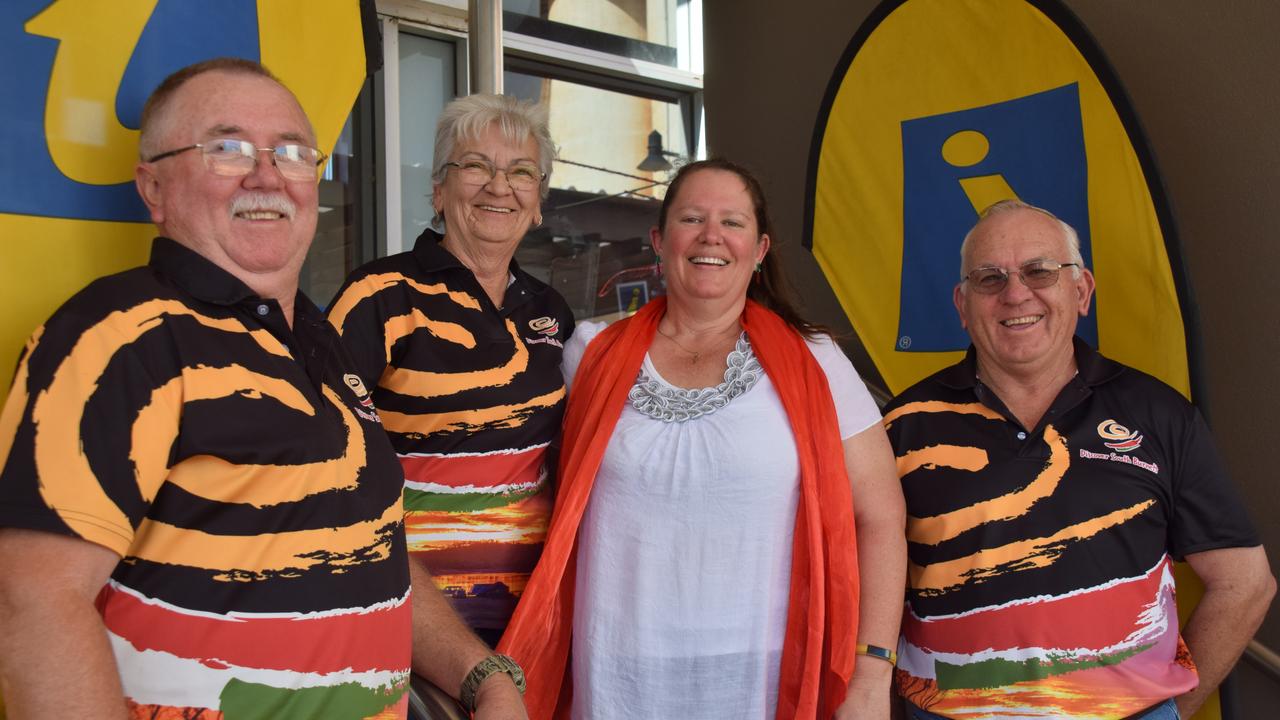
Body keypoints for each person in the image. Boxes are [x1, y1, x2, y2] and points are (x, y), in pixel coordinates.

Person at [0, 59, 524, 719]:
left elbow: (370, 546)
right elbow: (31, 603)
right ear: (153, 186)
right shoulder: (119, 334)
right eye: (227, 149)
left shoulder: (317, 342)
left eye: (292, 153)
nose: (268, 174)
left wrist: (483, 676)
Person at [499, 158, 908, 720]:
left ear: (760, 249)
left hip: (763, 679)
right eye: (692, 218)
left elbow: (880, 518)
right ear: (660, 241)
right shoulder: (589, 352)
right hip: (616, 674)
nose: (711, 236)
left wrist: (870, 675)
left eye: (732, 222)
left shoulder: (818, 362)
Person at [884, 199, 1276, 719]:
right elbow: (859, 587)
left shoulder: (1158, 414)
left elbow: (1245, 582)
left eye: (1039, 271)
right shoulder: (901, 425)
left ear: (1081, 290)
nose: (1016, 293)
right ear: (962, 303)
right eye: (989, 278)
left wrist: (1171, 711)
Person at [327, 94, 573, 648]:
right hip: (406, 619)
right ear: (439, 191)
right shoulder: (381, 296)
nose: (499, 185)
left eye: (521, 172)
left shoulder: (549, 311)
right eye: (476, 166)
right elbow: (331, 463)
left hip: (533, 622)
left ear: (537, 203)